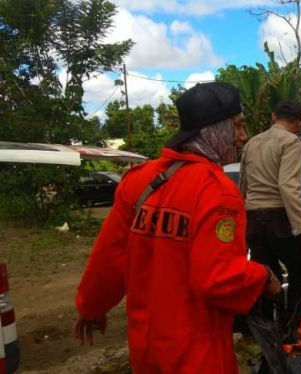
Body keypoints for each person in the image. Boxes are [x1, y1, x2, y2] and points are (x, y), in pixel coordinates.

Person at [74, 82, 282, 374]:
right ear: (213, 129)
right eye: (236, 127)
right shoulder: (216, 190)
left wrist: (90, 308)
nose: (243, 137)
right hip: (198, 356)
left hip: (146, 353)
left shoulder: (138, 181)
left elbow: (108, 259)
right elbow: (217, 278)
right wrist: (264, 276)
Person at [240, 99, 301, 317]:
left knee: (264, 278)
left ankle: (266, 331)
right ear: (299, 123)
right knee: (300, 274)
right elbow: (287, 186)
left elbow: (243, 186)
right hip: (280, 219)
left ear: (274, 117)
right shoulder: (292, 143)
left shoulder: (251, 143)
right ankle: (294, 328)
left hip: (253, 220)